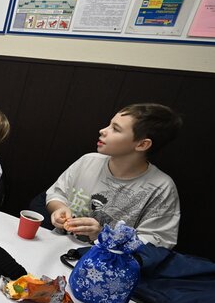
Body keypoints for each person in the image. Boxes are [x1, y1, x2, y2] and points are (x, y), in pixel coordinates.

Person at [45, 103, 182, 248]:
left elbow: (158, 242)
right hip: (57, 246)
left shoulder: (161, 187)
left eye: (115, 129)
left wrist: (102, 235)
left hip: (109, 264)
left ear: (142, 145)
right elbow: (57, 194)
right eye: (109, 125)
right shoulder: (88, 161)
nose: (103, 131)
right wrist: (59, 209)